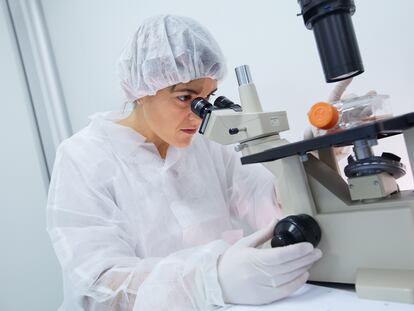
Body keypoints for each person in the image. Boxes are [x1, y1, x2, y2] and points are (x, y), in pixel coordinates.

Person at [47, 14, 322, 311]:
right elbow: (100, 286)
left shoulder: (208, 144)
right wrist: (205, 282)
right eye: (185, 97)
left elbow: (265, 203)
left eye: (208, 97)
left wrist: (310, 164)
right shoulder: (84, 157)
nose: (199, 114)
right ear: (143, 91)